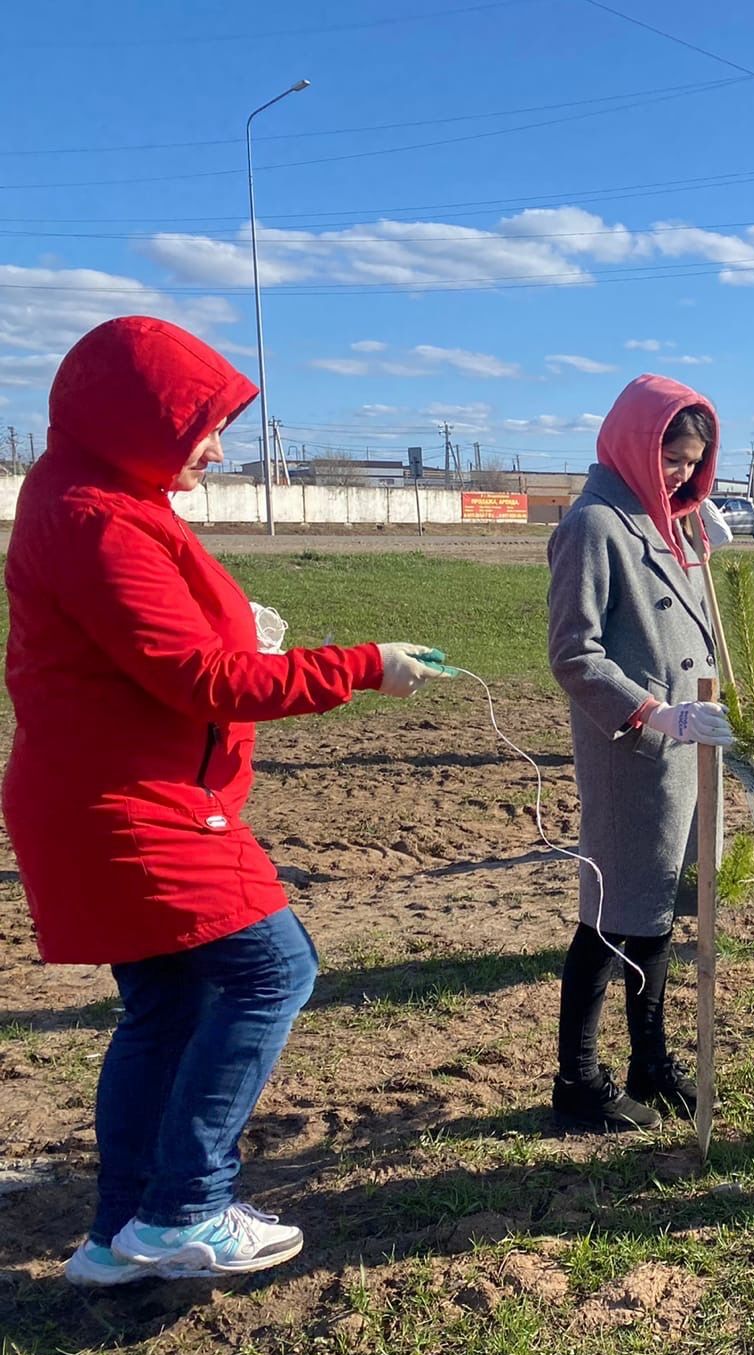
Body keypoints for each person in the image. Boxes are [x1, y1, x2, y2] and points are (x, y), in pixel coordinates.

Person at [3, 317, 446, 1286]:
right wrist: (361, 666)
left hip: (116, 792)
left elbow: (163, 644)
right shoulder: (98, 519)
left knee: (164, 1008)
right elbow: (201, 678)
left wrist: (241, 629)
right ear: (135, 420)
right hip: (133, 806)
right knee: (269, 970)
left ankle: (118, 1233)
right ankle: (186, 1207)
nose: (215, 445)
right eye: (200, 425)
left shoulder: (104, 497)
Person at [547, 375, 737, 1134]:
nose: (683, 476)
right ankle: (579, 1081)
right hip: (634, 754)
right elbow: (573, 653)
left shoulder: (671, 523)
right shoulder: (595, 525)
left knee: (656, 911)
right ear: (635, 440)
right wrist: (656, 711)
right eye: (672, 459)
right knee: (608, 917)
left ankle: (648, 1060)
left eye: (694, 463)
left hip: (686, 755)